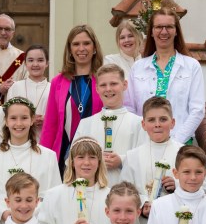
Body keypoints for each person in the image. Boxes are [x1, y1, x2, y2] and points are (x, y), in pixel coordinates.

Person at [0, 96, 61, 224]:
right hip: (0, 223)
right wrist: (3, 213)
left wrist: (29, 213)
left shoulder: (48, 156)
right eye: (13, 118)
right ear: (6, 120)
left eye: (24, 118)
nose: (19, 124)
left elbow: (54, 195)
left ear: (32, 120)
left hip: (35, 221)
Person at [126, 7, 205, 144]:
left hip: (180, 145)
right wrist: (142, 138)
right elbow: (130, 108)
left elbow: (197, 111)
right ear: (151, 31)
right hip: (143, 144)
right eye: (159, 27)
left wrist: (176, 141)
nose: (164, 31)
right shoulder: (138, 68)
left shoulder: (192, 66)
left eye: (169, 27)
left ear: (176, 31)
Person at [40, 24, 104, 175]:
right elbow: (50, 124)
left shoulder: (103, 80)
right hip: (64, 155)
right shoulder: (58, 82)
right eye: (76, 44)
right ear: (69, 49)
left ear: (94, 48)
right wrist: (43, 158)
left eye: (86, 43)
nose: (81, 48)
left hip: (95, 156)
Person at [74, 63, 143, 187]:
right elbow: (74, 159)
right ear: (97, 89)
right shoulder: (86, 123)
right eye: (103, 85)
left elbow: (144, 157)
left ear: (125, 85)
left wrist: (121, 160)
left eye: (114, 84)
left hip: (126, 192)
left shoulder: (138, 123)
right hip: (92, 190)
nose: (108, 89)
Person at [120, 96, 182, 222]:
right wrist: (143, 204)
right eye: (151, 120)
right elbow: (124, 189)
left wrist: (177, 185)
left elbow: (203, 185)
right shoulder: (132, 156)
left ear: (173, 123)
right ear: (143, 124)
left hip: (173, 218)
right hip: (143, 221)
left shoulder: (183, 153)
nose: (157, 125)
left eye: (163, 119)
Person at [39, 137, 112, 224]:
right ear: (72, 162)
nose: (86, 162)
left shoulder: (110, 196)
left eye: (92, 157)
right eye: (81, 157)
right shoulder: (54, 195)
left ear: (99, 162)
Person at [7, 44, 50, 139]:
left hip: (45, 138)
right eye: (30, 60)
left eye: (40, 60)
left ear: (47, 63)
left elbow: (60, 115)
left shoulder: (53, 88)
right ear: (25, 63)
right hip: (20, 138)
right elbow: (8, 113)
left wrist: (47, 120)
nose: (35, 64)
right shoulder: (16, 87)